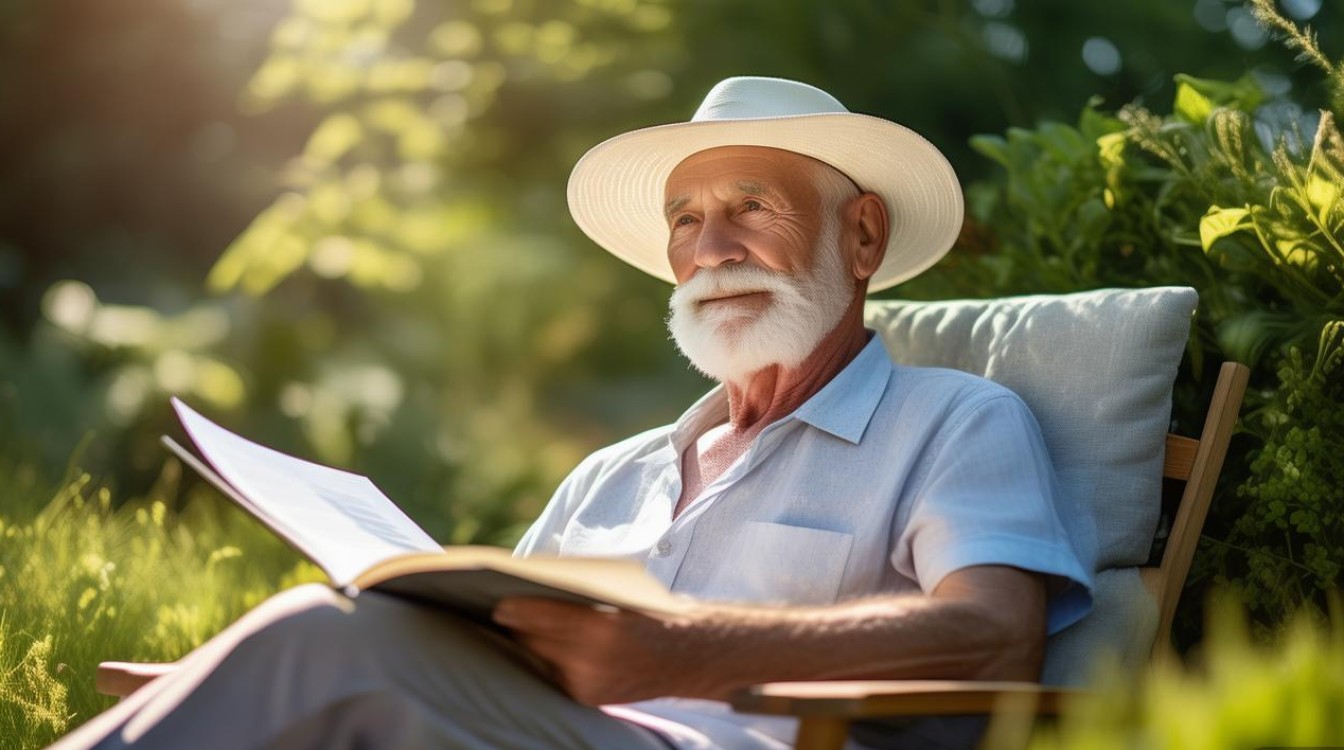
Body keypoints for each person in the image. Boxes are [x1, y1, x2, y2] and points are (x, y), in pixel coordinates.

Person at [53, 76, 1093, 750]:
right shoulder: (613, 472)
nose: (709, 250)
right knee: (321, 644)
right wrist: (259, 691)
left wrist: (681, 653)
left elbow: (995, 636)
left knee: (319, 641)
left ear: (862, 238)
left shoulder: (956, 420)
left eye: (749, 210)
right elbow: (485, 668)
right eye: (685, 221)